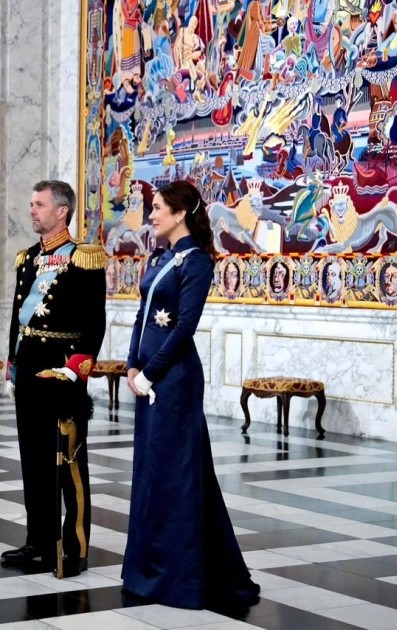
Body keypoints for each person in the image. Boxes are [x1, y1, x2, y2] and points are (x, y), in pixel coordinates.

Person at [123, 180, 260, 609]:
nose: (151, 215)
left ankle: (178, 577)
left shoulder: (196, 263)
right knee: (151, 473)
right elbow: (141, 315)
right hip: (146, 376)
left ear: (180, 213)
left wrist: (151, 374)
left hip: (175, 381)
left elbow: (184, 328)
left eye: (158, 208)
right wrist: (131, 364)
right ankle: (147, 569)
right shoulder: (159, 256)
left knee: (176, 474)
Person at [3, 180, 107, 577]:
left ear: (62, 211)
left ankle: (76, 547)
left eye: (39, 204)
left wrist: (75, 370)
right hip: (30, 364)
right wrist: (13, 364)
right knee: (33, 457)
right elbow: (18, 320)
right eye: (31, 203)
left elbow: (93, 326)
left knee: (69, 461)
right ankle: (39, 541)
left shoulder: (85, 258)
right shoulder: (28, 258)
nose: (32, 210)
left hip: (62, 368)